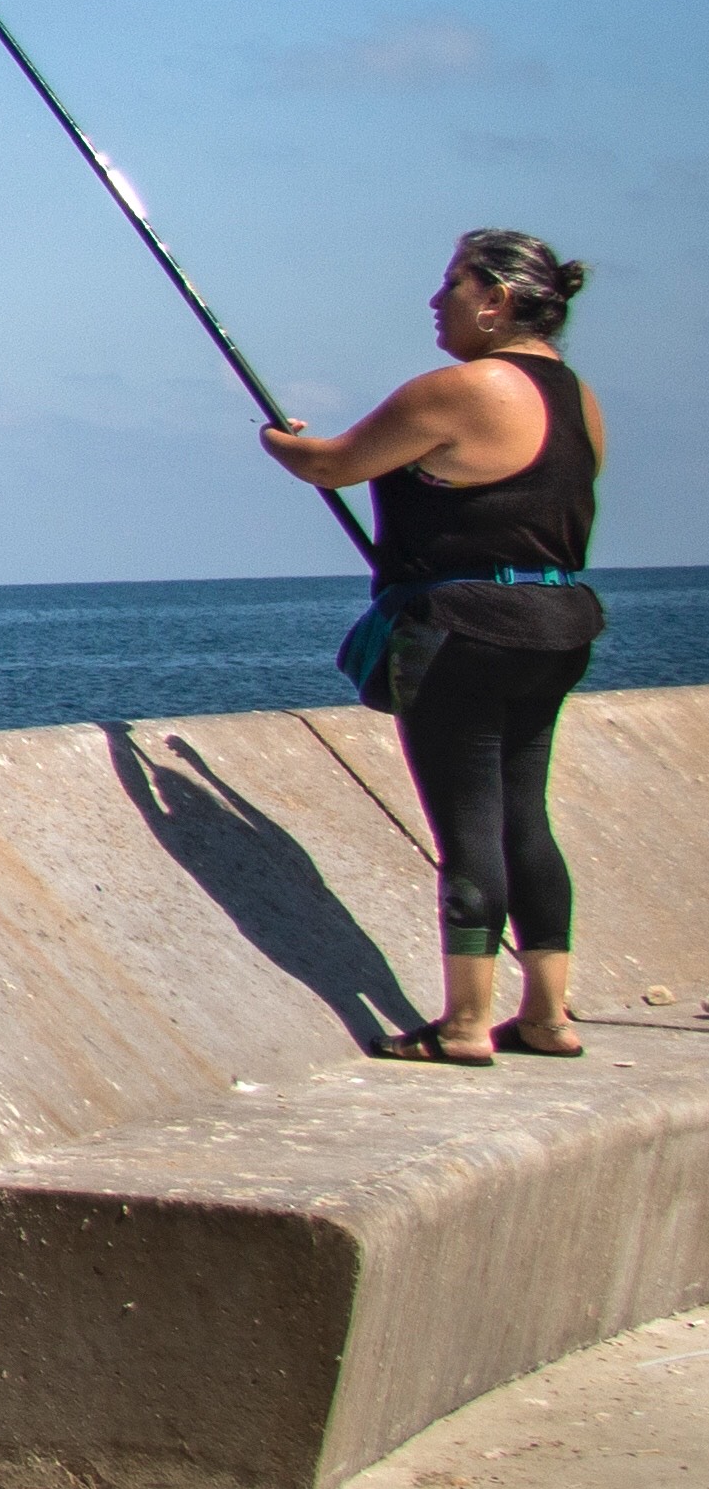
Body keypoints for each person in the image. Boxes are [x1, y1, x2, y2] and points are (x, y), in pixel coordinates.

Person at [257, 230, 602, 1064]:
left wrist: (278, 440)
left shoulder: (463, 388)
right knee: (525, 813)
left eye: (451, 283)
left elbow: (331, 463)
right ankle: (548, 1014)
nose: (434, 299)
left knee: (466, 823)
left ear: (496, 299)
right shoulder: (577, 397)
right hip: (557, 622)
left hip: (464, 628)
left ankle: (461, 1025)